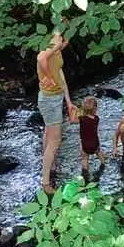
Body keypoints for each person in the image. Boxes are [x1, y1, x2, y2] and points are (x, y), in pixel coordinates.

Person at [36, 30, 74, 194]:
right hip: (49, 100)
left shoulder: (57, 49)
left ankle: (47, 163)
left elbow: (60, 75)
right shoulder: (50, 48)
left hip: (55, 98)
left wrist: (68, 101)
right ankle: (45, 182)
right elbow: (41, 58)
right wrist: (47, 76)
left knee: (48, 134)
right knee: (55, 140)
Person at [77, 96, 107, 174]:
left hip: (85, 144)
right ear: (95, 108)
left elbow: (72, 120)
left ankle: (85, 172)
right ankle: (104, 164)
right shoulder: (96, 118)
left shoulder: (82, 119)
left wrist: (73, 110)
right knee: (99, 152)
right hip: (95, 143)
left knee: (84, 158)